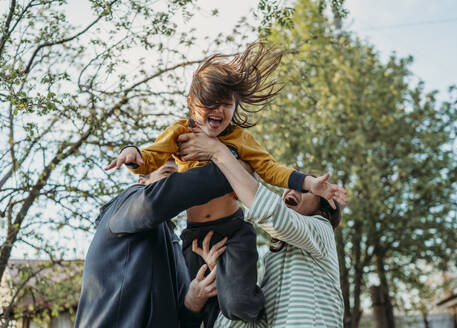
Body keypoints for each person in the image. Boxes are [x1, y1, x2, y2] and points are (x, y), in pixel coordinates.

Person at [105, 42, 344, 327]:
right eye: (210, 102)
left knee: (239, 304)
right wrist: (134, 155)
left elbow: (271, 170)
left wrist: (309, 182)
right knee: (199, 305)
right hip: (195, 235)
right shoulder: (179, 132)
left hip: (232, 231)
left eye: (227, 104)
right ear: (192, 103)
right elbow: (153, 155)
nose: (219, 110)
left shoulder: (240, 141)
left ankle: (251, 308)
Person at [177, 131, 347, 328]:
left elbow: (272, 214)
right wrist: (222, 273)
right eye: (289, 186)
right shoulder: (272, 261)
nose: (290, 190)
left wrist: (219, 152)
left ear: (324, 210)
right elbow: (250, 321)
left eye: (304, 189)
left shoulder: (321, 229)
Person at [74, 160, 234, 328]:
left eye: (181, 175)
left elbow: (183, 321)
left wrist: (195, 300)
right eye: (168, 173)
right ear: (143, 182)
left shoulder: (173, 244)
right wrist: (227, 166)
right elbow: (153, 201)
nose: (179, 179)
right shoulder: (126, 204)